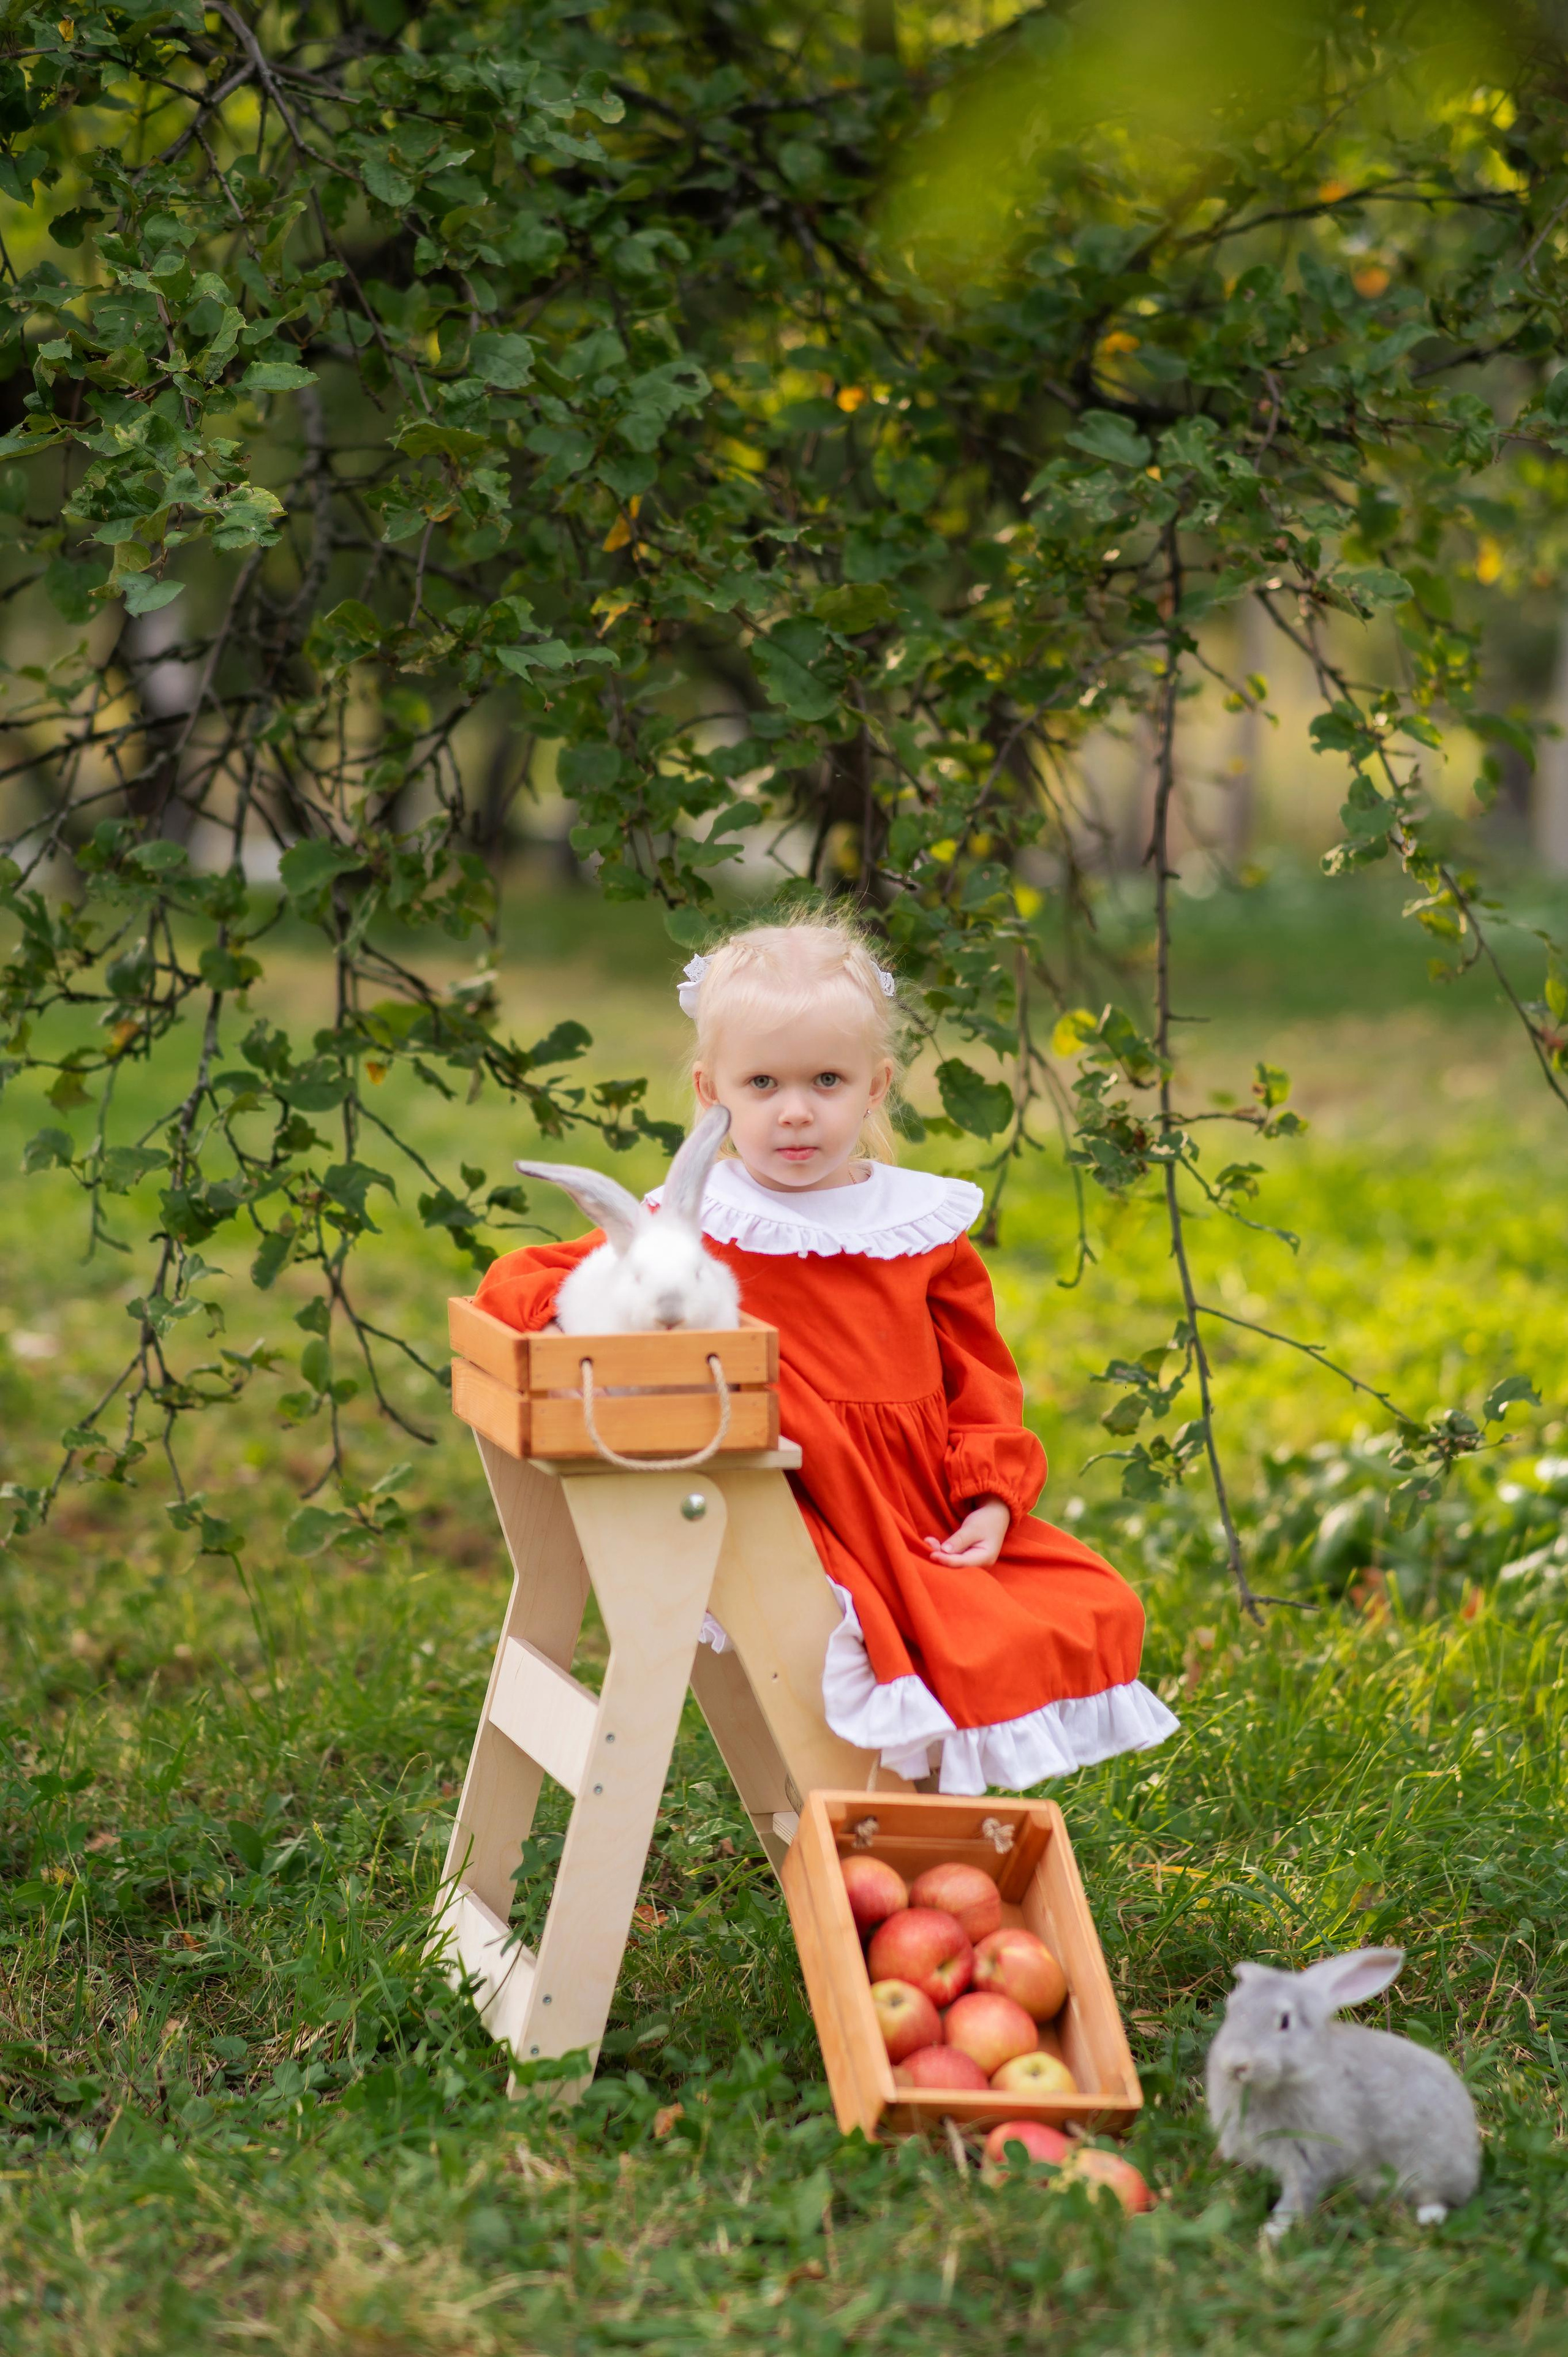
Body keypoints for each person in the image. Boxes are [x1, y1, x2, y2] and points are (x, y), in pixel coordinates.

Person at [473, 915, 1177, 1796]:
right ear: (710, 1091)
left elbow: (982, 1380)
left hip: (914, 1497)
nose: (795, 1110)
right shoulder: (700, 1222)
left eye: (828, 1080)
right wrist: (593, 1327)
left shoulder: (919, 1228)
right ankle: (895, 1813)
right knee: (885, 1627)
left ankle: (914, 1821)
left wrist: (991, 1494)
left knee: (1081, 1603)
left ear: (876, 1085)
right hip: (790, 1499)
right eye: (762, 1082)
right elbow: (533, 1281)